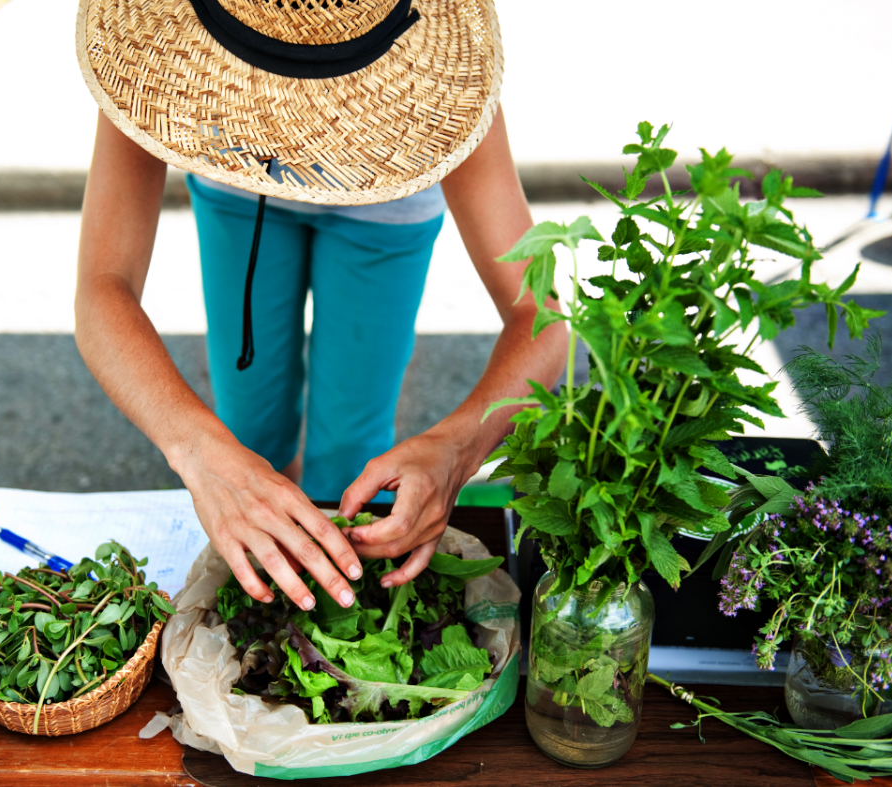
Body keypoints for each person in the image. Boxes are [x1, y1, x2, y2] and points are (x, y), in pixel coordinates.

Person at [72, 0, 566, 612]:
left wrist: (458, 448)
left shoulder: (443, 97)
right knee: (244, 432)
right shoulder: (151, 41)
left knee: (353, 458)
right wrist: (200, 453)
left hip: (385, 220)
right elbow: (102, 285)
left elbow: (541, 317)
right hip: (237, 192)